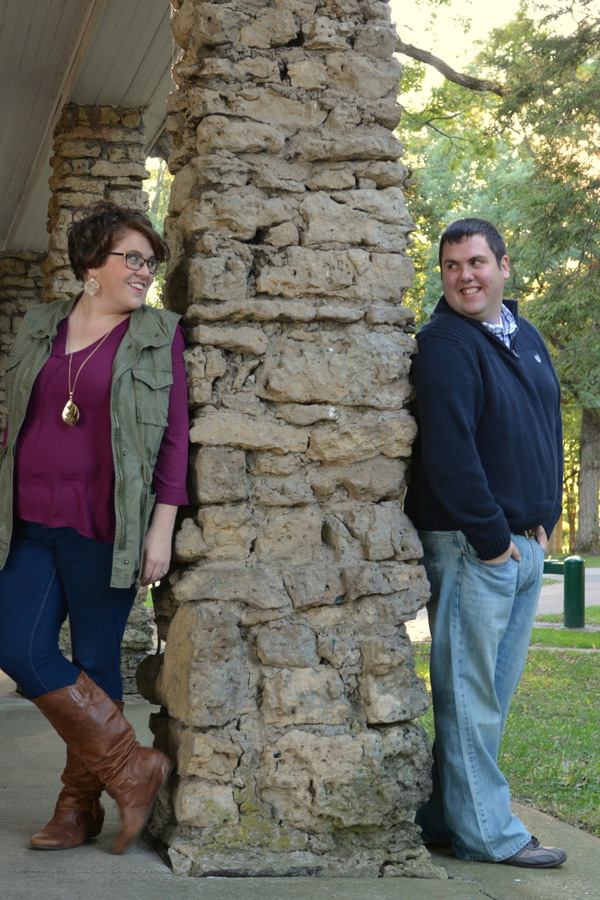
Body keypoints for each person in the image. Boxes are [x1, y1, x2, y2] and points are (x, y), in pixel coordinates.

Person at [0, 200, 189, 854]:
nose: (144, 271)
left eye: (150, 262)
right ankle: (129, 765)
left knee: (97, 660)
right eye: (131, 259)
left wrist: (161, 527)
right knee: (17, 644)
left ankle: (78, 807)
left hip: (106, 522)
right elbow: (17, 414)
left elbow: (174, 442)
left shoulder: (159, 333)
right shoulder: (39, 327)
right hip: (27, 515)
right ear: (91, 267)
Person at [405, 218, 566, 868]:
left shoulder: (521, 335)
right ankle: (489, 835)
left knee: (488, 701)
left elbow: (546, 425)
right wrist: (494, 539)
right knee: (470, 696)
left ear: (504, 264)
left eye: (476, 262)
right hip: (474, 548)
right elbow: (449, 452)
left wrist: (545, 519)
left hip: (522, 547)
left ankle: (444, 816)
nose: (465, 276)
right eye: (452, 266)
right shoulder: (444, 344)